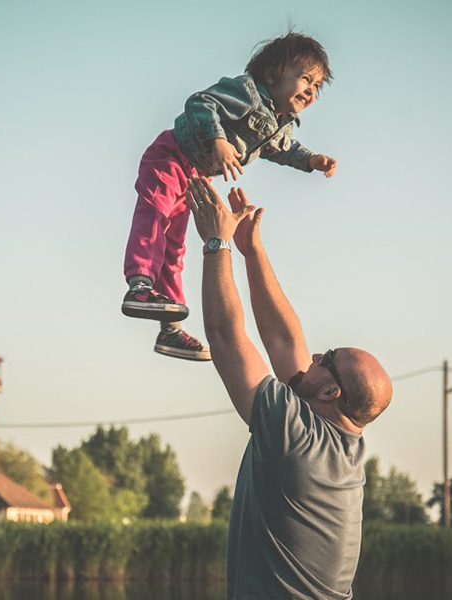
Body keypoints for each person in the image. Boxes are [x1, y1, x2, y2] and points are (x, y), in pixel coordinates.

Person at [186, 177, 393, 599]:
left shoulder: (296, 439)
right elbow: (285, 342)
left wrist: (216, 243)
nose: (314, 357)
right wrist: (250, 250)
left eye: (327, 359)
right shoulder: (340, 438)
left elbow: (225, 335)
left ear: (332, 392)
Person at [121, 32, 339, 362]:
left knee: (175, 247)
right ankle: (139, 285)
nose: (310, 89)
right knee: (155, 215)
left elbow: (282, 149)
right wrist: (217, 139)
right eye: (304, 78)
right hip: (171, 155)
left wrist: (310, 160)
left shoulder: (281, 125)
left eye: (317, 86)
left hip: (194, 177)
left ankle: (170, 330)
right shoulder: (248, 92)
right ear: (272, 74)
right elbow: (200, 103)